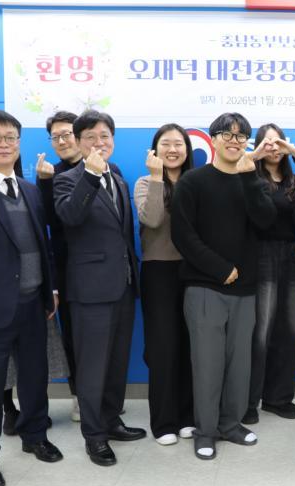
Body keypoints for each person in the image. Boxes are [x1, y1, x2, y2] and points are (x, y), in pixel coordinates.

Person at [171, 112, 276, 460]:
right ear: (213, 139)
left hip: (246, 290)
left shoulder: (252, 180)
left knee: (239, 364)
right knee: (207, 364)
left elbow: (266, 221)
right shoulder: (193, 181)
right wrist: (219, 268)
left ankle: (231, 424)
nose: (234, 141)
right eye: (227, 135)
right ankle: (205, 431)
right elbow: (183, 235)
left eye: (241, 136)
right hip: (205, 287)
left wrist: (249, 179)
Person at [0, 110, 63, 486]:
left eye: (10, 137)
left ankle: (34, 435)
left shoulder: (28, 188)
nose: (3, 144)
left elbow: (43, 244)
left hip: (32, 303)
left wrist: (50, 289)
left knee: (34, 378)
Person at [54, 110, 146, 467]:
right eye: (90, 137)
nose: (98, 143)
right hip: (90, 290)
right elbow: (70, 217)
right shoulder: (68, 179)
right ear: (78, 142)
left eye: (105, 136)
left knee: (117, 363)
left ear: (113, 140)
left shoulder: (118, 179)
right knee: (92, 368)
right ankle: (94, 436)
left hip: (122, 285)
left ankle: (111, 421)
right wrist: (90, 176)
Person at [244, 123, 295, 425]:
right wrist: (255, 156)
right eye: (267, 142)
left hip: (292, 256)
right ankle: (249, 401)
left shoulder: (294, 180)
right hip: (261, 256)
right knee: (260, 333)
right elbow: (235, 172)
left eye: (278, 143)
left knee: (292, 331)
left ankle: (279, 398)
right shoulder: (250, 175)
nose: (273, 148)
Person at [134, 124, 195, 446]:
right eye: (166, 144)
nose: (173, 150)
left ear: (187, 149)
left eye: (178, 144)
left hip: (194, 272)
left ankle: (188, 417)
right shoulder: (145, 182)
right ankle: (164, 422)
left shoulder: (196, 182)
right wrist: (157, 177)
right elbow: (153, 219)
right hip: (158, 271)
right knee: (162, 349)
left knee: (190, 345)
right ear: (155, 150)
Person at [35, 110, 83, 423]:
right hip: (67, 269)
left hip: (103, 270)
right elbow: (50, 224)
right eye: (56, 137)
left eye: (68, 134)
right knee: (73, 336)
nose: (63, 141)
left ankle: (105, 398)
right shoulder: (50, 174)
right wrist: (45, 184)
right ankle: (79, 396)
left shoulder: (103, 167)